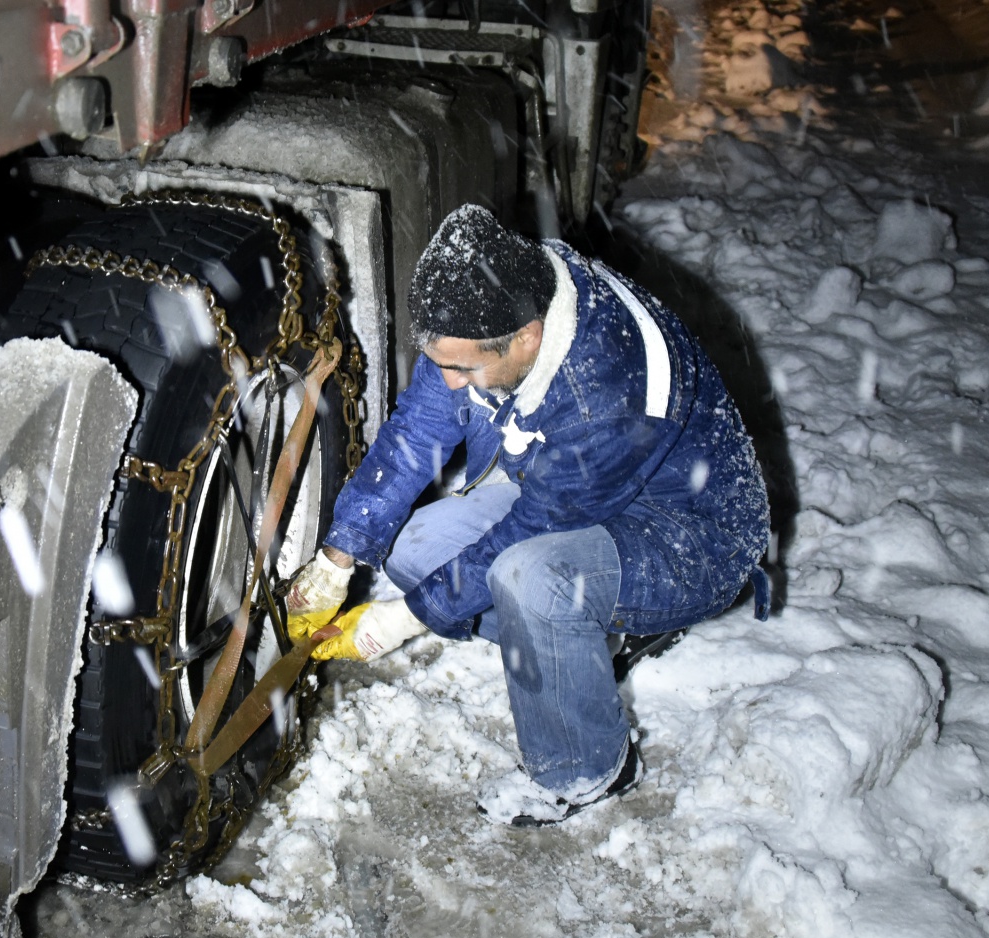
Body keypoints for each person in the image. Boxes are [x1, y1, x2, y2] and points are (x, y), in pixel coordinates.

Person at [285, 204, 770, 826]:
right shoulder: (491, 305)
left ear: (529, 339)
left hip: (688, 534)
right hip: (568, 486)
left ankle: (588, 770)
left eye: (463, 368)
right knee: (416, 549)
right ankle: (580, 648)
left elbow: (531, 532)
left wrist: (404, 619)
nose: (451, 382)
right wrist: (338, 557)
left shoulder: (604, 392)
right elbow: (418, 432)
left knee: (531, 579)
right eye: (440, 362)